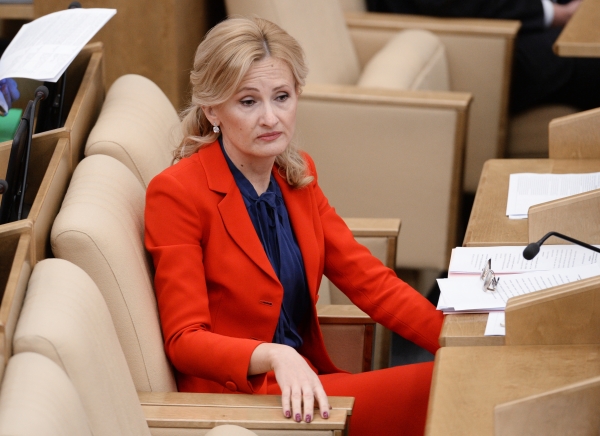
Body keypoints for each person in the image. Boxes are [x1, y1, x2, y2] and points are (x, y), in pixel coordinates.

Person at [144, 17, 443, 436]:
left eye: (281, 97)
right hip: (241, 399)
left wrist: (457, 340)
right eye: (248, 102)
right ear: (212, 109)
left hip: (308, 383)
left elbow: (371, 283)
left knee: (462, 374)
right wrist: (273, 356)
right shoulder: (176, 193)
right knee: (448, 388)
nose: (271, 117)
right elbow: (184, 339)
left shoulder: (297, 175)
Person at [366, 0, 600, 114]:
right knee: (588, 53)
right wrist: (554, 13)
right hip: (474, 45)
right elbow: (454, 4)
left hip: (503, 24)